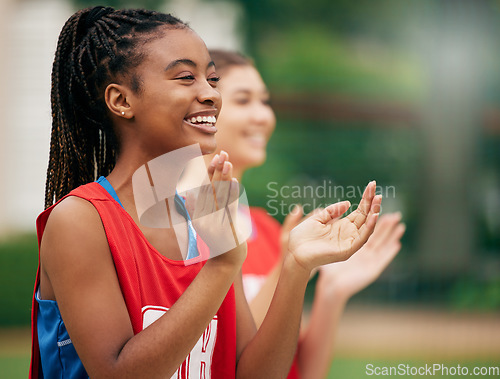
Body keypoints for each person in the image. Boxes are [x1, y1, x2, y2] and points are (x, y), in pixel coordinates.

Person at [29, 6, 382, 378]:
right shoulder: (82, 220)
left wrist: (295, 266)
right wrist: (222, 263)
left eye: (212, 79)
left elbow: (252, 373)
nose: (210, 94)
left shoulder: (207, 215)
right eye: (185, 77)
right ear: (121, 101)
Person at [207, 49, 406, 379]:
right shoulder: (178, 229)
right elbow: (236, 363)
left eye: (265, 101)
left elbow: (298, 371)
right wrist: (289, 264)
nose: (263, 116)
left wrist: (331, 292)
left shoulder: (269, 230)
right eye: (243, 101)